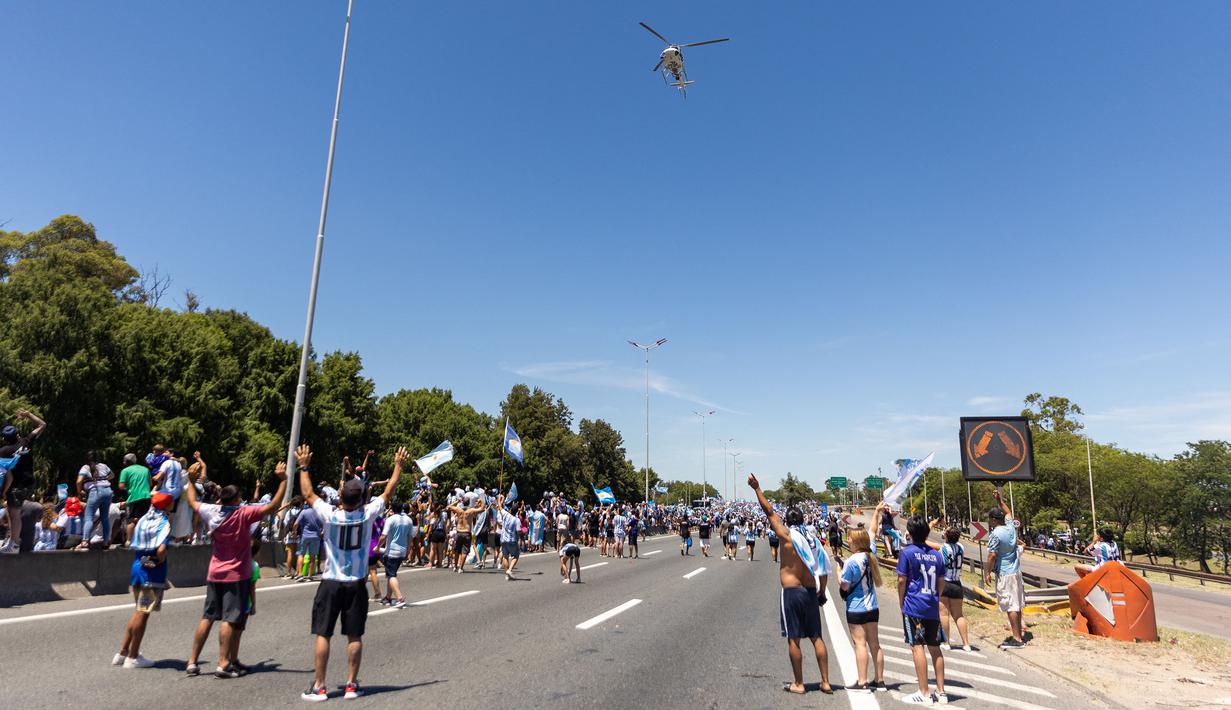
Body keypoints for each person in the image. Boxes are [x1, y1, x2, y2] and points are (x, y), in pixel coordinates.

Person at [297, 444, 406, 702]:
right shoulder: (367, 514)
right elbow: (389, 491)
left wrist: (304, 466)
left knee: (324, 633)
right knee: (354, 635)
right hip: (356, 582)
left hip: (331, 581)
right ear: (361, 498)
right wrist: (398, 465)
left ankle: (320, 686)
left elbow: (308, 493)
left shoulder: (330, 515)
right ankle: (350, 684)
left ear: (341, 498)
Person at [183, 461, 287, 678]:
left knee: (207, 617)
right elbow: (273, 505)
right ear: (237, 499)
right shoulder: (244, 513)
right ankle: (223, 663)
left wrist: (191, 481)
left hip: (215, 571)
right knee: (229, 619)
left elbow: (192, 501)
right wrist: (284, 480)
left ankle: (192, 662)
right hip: (237, 574)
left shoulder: (212, 512)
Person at [749, 473, 832, 696]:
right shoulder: (814, 540)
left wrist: (757, 489)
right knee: (817, 637)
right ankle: (825, 682)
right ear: (803, 520)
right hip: (811, 590)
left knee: (794, 638)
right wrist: (822, 591)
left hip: (792, 592)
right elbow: (823, 567)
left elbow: (769, 512)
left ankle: (799, 683)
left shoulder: (786, 535)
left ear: (788, 519)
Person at [113, 491, 174, 669]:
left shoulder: (143, 520)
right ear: (167, 506)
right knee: (143, 613)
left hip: (137, 567)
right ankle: (133, 656)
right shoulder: (164, 522)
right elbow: (161, 551)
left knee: (137, 611)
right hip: (152, 572)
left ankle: (122, 652)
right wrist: (158, 560)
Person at [897, 516, 947, 704]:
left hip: (914, 605)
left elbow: (902, 580)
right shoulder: (937, 555)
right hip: (931, 605)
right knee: (935, 648)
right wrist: (935, 598)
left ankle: (924, 691)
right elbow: (941, 583)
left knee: (917, 646)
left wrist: (901, 602)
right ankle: (941, 692)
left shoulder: (907, 553)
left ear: (909, 533)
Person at [841, 527, 885, 693]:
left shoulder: (851, 561)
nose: (848, 540)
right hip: (872, 607)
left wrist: (839, 573)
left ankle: (862, 681)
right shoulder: (870, 554)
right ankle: (880, 680)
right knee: (875, 644)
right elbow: (872, 531)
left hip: (856, 607)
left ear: (858, 541)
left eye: (850, 538)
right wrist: (877, 512)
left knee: (860, 644)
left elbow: (844, 586)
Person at [983, 488, 1026, 648]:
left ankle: (1017, 639)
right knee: (1017, 603)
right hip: (1016, 570)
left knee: (1010, 605)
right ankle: (1018, 635)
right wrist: (999, 500)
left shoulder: (995, 534)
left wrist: (987, 572)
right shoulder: (1010, 527)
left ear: (994, 520)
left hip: (1005, 572)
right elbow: (1008, 512)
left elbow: (992, 556)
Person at [0, 410, 47, 554]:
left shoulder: (4, 451)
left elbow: (8, 476)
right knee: (12, 511)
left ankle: (14, 544)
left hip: (16, 486)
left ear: (4, 439)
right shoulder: (26, 442)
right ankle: (12, 540)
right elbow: (42, 424)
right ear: (17, 434)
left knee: (14, 514)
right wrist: (28, 415)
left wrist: (3, 492)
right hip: (29, 484)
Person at [930, 527, 972, 652]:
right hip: (957, 583)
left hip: (945, 582)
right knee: (959, 615)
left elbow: (927, 543)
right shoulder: (961, 548)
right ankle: (966, 644)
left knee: (943, 614)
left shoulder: (943, 548)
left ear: (947, 536)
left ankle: (946, 642)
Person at [77, 450, 114, 549]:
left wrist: (80, 492)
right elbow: (112, 475)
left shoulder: (85, 467)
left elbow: (79, 481)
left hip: (95, 492)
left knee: (88, 517)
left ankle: (85, 541)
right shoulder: (103, 466)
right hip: (108, 491)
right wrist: (103, 479)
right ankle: (106, 542)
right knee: (105, 517)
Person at [380, 502, 413, 607]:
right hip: (402, 550)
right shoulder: (408, 520)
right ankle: (388, 597)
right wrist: (408, 550)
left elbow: (384, 536)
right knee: (391, 574)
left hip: (391, 551)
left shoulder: (390, 520)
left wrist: (377, 547)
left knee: (391, 575)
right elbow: (410, 537)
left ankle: (399, 598)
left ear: (392, 509)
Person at [118, 454, 152, 544]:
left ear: (126, 462)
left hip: (134, 497)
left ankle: (128, 540)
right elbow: (150, 483)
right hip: (146, 496)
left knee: (131, 520)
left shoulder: (125, 471)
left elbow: (121, 486)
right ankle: (145, 540)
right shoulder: (145, 469)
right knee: (144, 519)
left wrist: (129, 488)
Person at [295, 502, 323, 580]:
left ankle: (300, 574)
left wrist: (294, 532)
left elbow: (296, 523)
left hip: (304, 536)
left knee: (301, 554)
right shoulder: (319, 513)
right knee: (312, 556)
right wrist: (321, 532)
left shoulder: (304, 512)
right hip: (316, 536)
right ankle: (310, 575)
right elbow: (323, 524)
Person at [496, 495, 520, 580]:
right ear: (517, 511)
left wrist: (499, 499)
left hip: (503, 539)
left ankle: (507, 575)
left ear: (510, 510)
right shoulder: (517, 520)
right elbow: (518, 531)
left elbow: (499, 506)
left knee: (505, 556)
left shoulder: (505, 514)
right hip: (512, 540)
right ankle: (509, 570)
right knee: (516, 555)